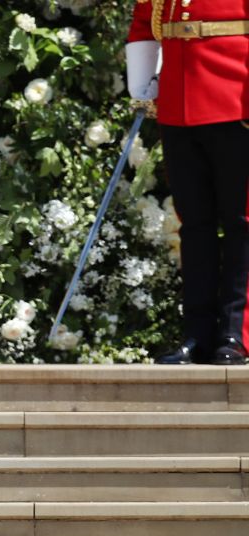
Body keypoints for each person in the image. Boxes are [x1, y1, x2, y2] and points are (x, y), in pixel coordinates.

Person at [127, 0, 249, 365]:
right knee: (194, 227)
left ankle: (235, 335)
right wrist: (143, 82)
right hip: (179, 106)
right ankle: (197, 335)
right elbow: (146, 20)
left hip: (237, 101)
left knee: (242, 224)